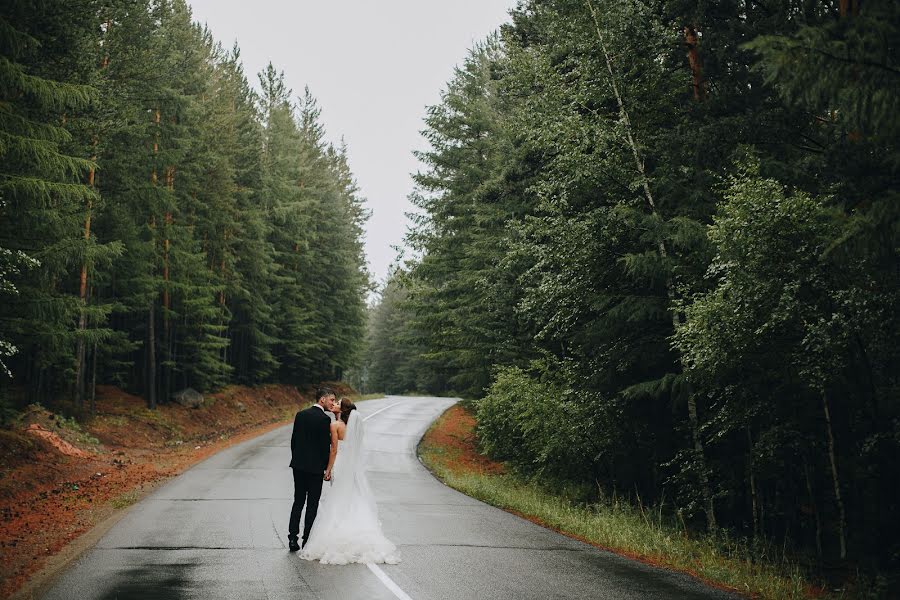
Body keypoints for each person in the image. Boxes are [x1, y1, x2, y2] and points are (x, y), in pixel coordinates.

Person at [300, 397, 401, 564]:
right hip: (352, 467)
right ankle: (359, 531)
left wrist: (329, 469)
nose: (334, 404)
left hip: (340, 465)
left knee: (339, 497)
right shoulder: (357, 426)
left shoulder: (335, 425)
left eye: (338, 403)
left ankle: (339, 532)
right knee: (353, 496)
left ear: (343, 410)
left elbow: (334, 450)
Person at [287, 387, 335, 552]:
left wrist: (298, 459)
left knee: (298, 501)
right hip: (315, 469)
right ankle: (307, 540)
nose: (333, 403)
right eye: (331, 400)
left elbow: (294, 441)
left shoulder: (300, 415)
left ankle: (292, 538)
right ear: (322, 399)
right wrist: (325, 468)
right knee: (312, 504)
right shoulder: (324, 420)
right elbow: (324, 448)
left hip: (298, 466)